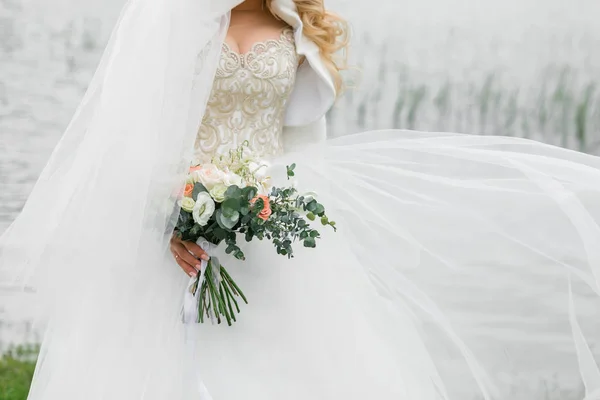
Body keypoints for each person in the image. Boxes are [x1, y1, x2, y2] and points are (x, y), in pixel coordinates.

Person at [1, 0, 599, 398]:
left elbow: (300, 138)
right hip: (176, 237)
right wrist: (168, 219)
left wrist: (295, 213)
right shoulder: (172, 22)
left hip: (270, 226)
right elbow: (130, 136)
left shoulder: (292, 29)